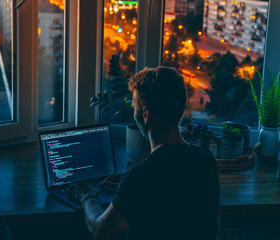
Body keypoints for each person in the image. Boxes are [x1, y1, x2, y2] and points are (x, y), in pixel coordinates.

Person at [70, 66, 220, 240]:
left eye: (134, 107)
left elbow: (100, 231)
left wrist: (87, 196)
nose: (134, 113)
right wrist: (127, 189)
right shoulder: (206, 160)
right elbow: (170, 198)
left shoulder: (142, 177)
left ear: (146, 114)